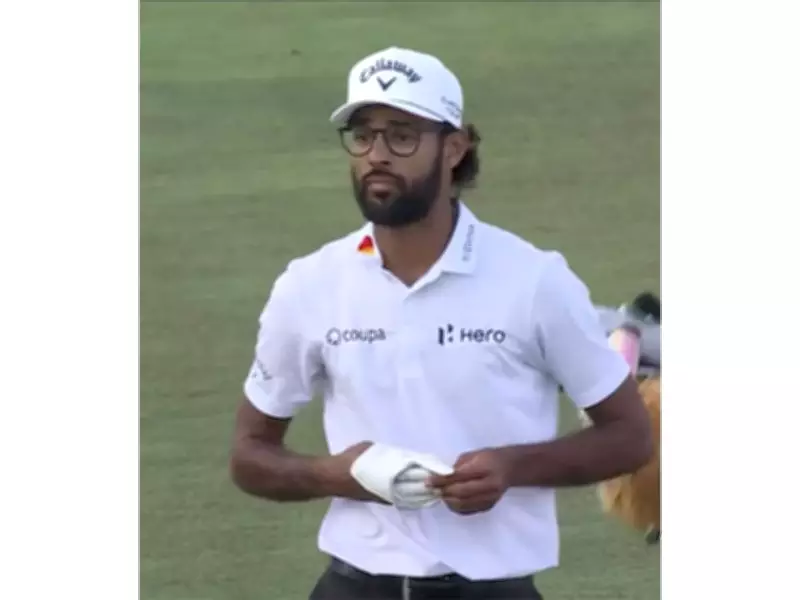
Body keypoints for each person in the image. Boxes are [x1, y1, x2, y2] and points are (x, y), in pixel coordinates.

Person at [229, 46, 654, 600]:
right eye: (363, 135)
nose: (377, 155)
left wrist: (511, 467)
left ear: (454, 148)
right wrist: (340, 474)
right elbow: (250, 455)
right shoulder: (309, 285)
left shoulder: (534, 281)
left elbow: (629, 436)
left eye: (402, 136)